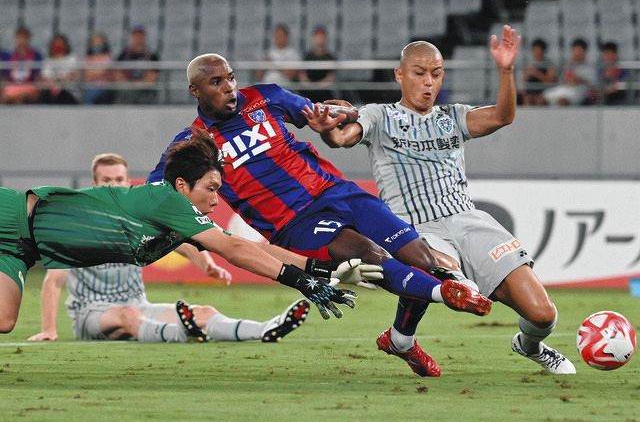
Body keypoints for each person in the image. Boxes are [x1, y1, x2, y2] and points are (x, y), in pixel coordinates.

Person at [148, 53, 493, 378]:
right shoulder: (196, 141)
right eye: (217, 82)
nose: (229, 88)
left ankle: (401, 339)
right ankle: (446, 293)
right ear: (195, 90)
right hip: (295, 222)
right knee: (367, 255)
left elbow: (320, 114)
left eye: (231, 78)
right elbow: (155, 187)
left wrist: (337, 116)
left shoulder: (265, 97)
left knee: (421, 257)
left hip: (338, 191)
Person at [309, 25, 576, 375]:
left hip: (468, 220)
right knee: (447, 277)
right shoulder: (379, 116)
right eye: (419, 74)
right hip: (413, 228)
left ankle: (530, 345)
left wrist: (507, 70)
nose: (428, 83)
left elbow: (503, 116)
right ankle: (404, 337)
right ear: (400, 74)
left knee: (543, 314)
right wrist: (327, 128)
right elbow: (342, 138)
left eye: (436, 74)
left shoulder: (453, 117)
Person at [0, 133, 385, 335]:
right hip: (12, 213)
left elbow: (253, 247)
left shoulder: (178, 220)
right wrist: (303, 283)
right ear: (182, 185)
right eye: (212, 188)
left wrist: (323, 272)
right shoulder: (166, 201)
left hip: (22, 249)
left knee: (4, 321)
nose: (217, 199)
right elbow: (233, 248)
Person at [27, 152, 310, 343]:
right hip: (93, 313)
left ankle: (264, 329)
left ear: (128, 181)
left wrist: (205, 263)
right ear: (95, 184)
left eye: (118, 180)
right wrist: (49, 329)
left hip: (139, 304)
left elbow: (180, 241)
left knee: (205, 312)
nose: (113, 185)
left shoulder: (145, 213)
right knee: (129, 317)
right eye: (106, 181)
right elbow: (53, 281)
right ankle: (181, 334)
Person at [543, 38, 596, 106]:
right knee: (542, 98)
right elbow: (561, 80)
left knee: (562, 101)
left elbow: (592, 84)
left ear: (584, 51)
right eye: (575, 50)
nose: (577, 53)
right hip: (564, 89)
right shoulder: (567, 65)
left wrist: (578, 79)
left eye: (579, 50)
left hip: (579, 91)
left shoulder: (589, 67)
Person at [115, 25, 159, 104]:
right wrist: (130, 84)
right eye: (136, 36)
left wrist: (138, 84)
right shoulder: (123, 55)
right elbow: (118, 75)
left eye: (140, 36)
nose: (138, 38)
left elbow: (152, 78)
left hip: (144, 91)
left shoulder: (152, 56)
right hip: (127, 90)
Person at [0, 25, 43, 104]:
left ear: (28, 39)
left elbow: (37, 77)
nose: (21, 41)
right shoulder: (9, 56)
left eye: (24, 38)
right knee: (6, 93)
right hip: (13, 85)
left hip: (29, 85)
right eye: (19, 38)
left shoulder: (36, 55)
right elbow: (5, 77)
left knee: (20, 97)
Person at [38, 33, 80, 104]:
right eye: (56, 44)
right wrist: (55, 82)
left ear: (65, 45)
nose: (58, 47)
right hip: (51, 90)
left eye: (60, 44)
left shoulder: (72, 58)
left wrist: (57, 82)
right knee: (43, 95)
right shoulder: (48, 60)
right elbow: (45, 77)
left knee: (61, 93)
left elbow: (71, 76)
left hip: (68, 91)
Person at [299, 25, 336, 102]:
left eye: (322, 37)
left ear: (326, 38)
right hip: (308, 91)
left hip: (325, 92)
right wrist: (310, 86)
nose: (320, 39)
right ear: (313, 38)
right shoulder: (307, 56)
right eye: (318, 37)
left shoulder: (330, 57)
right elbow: (303, 76)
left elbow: (330, 78)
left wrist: (318, 87)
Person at [521, 38, 557, 106]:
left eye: (538, 50)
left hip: (544, 91)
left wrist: (537, 73)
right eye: (534, 50)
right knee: (527, 98)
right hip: (530, 91)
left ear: (543, 51)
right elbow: (524, 81)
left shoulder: (549, 64)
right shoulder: (530, 64)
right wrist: (527, 74)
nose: (536, 52)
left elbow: (550, 81)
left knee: (541, 99)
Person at [83, 33, 116, 105]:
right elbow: (87, 75)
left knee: (94, 93)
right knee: (89, 93)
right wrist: (99, 71)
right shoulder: (88, 58)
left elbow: (105, 71)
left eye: (99, 42)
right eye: (95, 42)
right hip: (90, 87)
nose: (97, 45)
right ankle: (87, 114)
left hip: (105, 87)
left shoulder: (107, 56)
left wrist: (95, 72)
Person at [591, 41, 628, 105]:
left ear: (615, 54)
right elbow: (597, 83)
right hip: (604, 91)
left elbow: (624, 83)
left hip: (618, 92)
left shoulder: (622, 67)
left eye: (608, 53)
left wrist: (614, 78)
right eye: (604, 53)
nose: (606, 56)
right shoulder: (601, 68)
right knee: (590, 96)